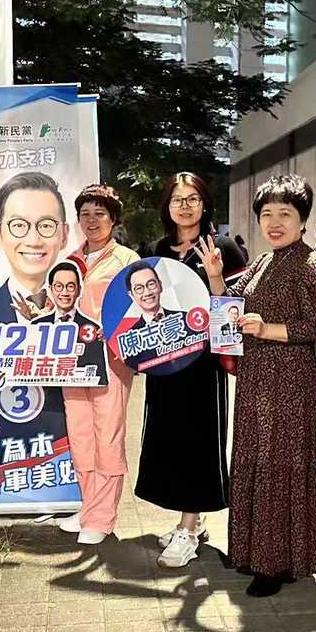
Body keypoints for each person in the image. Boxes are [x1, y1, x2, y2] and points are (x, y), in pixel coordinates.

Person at [200, 174, 316, 597]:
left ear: (302, 220)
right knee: (254, 460)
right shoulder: (264, 261)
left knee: (280, 466)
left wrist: (267, 328)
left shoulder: (310, 264)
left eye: (284, 214)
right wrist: (215, 277)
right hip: (256, 378)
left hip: (290, 381)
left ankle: (278, 563)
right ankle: (255, 553)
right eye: (267, 214)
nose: (274, 222)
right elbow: (231, 302)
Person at [135, 172, 247, 569]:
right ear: (166, 206)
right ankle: (189, 520)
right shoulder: (156, 250)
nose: (184, 206)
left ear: (205, 204)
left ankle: (188, 526)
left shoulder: (224, 248)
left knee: (199, 439)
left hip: (203, 364)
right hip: (164, 362)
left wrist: (215, 278)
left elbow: (236, 305)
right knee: (167, 437)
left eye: (192, 199)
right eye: (176, 199)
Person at [50, 186, 141, 544]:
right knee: (81, 434)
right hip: (73, 361)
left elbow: (142, 309)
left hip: (111, 361)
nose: (92, 220)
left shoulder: (127, 260)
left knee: (108, 436)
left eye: (100, 213)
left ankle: (102, 518)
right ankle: (88, 507)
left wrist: (116, 333)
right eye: (85, 214)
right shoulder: (70, 260)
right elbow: (60, 303)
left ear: (114, 219)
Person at [0, 171, 70, 323]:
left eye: (46, 225)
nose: (33, 241)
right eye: (19, 225)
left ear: (64, 235)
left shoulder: (89, 308)